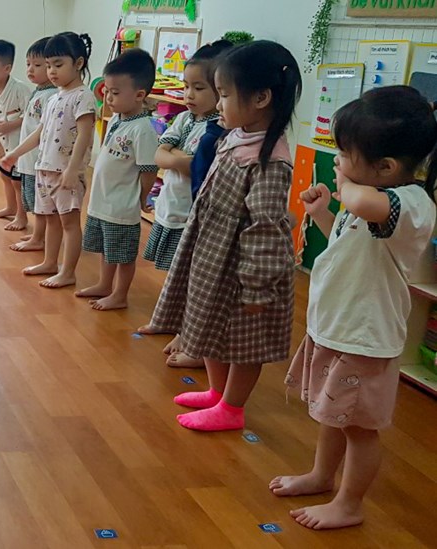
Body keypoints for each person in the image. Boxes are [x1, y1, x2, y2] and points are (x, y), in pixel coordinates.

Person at [272, 86, 437, 530]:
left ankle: (350, 504)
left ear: (386, 167)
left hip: (366, 337)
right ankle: (322, 476)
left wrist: (345, 187)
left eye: (345, 153)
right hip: (339, 327)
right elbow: (350, 244)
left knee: (359, 429)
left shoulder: (410, 205)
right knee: (335, 416)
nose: (338, 161)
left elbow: (362, 205)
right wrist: (324, 213)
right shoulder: (371, 195)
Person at [146, 40, 302, 432]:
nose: (218, 104)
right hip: (214, 255)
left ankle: (232, 407)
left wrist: (256, 288)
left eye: (226, 95)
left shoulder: (270, 161)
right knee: (209, 327)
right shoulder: (236, 135)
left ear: (262, 98)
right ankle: (217, 392)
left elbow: (266, 228)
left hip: (244, 269)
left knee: (243, 341)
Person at [137, 39, 233, 367]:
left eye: (199, 88)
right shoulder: (184, 120)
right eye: (186, 86)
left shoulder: (219, 129)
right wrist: (182, 159)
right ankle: (172, 321)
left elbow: (198, 167)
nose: (189, 95)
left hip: (194, 215)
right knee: (176, 274)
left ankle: (187, 333)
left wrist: (177, 157)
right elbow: (159, 154)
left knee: (194, 280)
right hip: (172, 208)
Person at [0, 32, 97, 289]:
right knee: (51, 220)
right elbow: (40, 132)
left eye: (58, 64)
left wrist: (73, 169)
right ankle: (50, 263)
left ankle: (68, 272)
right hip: (44, 168)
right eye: (49, 65)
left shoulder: (83, 97)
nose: (52, 71)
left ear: (78, 63)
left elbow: (85, 135)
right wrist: (15, 153)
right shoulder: (53, 98)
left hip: (65, 172)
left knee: (69, 223)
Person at [77, 49, 158, 311]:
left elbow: (148, 169)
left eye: (115, 92)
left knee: (123, 255)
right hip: (103, 200)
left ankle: (120, 295)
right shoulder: (117, 118)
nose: (108, 98)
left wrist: (143, 198)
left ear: (139, 95)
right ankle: (104, 284)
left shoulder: (143, 129)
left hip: (122, 206)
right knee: (106, 247)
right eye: (107, 91)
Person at [10, 37, 58, 253]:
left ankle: (39, 238)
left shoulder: (51, 96)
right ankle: (39, 234)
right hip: (29, 158)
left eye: (38, 65)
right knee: (34, 201)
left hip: (38, 158)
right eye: (28, 64)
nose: (30, 69)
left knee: (41, 203)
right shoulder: (39, 92)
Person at [0, 39, 33, 230]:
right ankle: (11, 207)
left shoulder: (20, 90)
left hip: (21, 149)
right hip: (6, 149)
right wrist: (0, 151)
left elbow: (32, 118)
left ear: (7, 68)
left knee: (18, 183)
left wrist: (12, 125)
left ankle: (21, 216)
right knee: (5, 177)